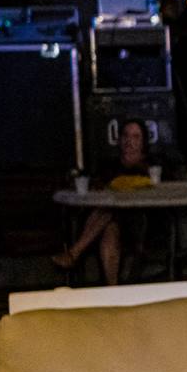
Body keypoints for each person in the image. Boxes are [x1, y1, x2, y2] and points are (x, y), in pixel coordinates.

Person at [52, 118, 152, 285]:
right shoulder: (109, 166)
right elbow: (95, 186)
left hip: (140, 222)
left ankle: (74, 253)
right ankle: (112, 289)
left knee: (108, 210)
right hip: (111, 222)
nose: (129, 141)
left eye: (136, 137)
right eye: (126, 136)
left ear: (143, 142)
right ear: (119, 139)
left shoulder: (152, 165)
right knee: (110, 228)